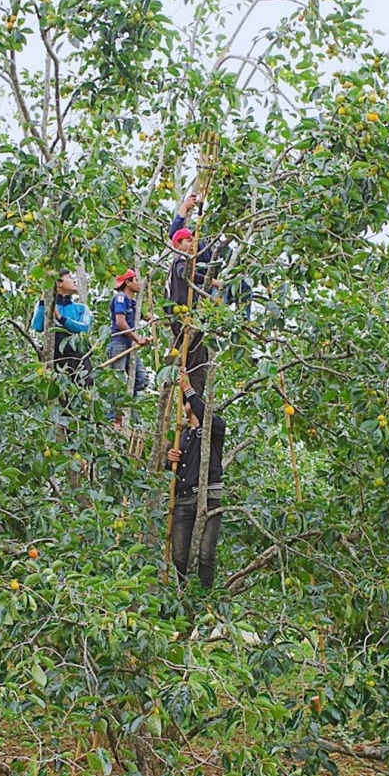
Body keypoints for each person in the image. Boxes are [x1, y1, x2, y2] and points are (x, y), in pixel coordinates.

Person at [166, 369, 226, 593]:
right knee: (179, 555)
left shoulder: (214, 427)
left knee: (206, 553)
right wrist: (168, 459)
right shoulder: (181, 436)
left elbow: (204, 413)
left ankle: (206, 595)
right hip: (183, 500)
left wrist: (189, 390)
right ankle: (185, 592)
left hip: (208, 498)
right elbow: (171, 470)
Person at [166, 194, 219, 394]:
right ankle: (193, 401)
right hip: (183, 311)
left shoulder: (198, 253)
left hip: (189, 310)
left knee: (195, 354)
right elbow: (185, 273)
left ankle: (191, 394)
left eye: (192, 240)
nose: (191, 243)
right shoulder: (181, 259)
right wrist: (184, 209)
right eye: (187, 241)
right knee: (196, 360)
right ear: (179, 245)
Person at [31, 269, 93, 390]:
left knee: (84, 391)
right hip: (55, 359)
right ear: (59, 283)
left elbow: (84, 327)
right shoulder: (44, 305)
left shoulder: (81, 308)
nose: (74, 280)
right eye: (70, 277)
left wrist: (61, 318)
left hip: (78, 358)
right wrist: (44, 301)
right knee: (60, 396)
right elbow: (38, 326)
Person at [107, 268, 151, 396]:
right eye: (136, 280)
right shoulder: (120, 298)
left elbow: (148, 316)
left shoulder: (133, 303)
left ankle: (126, 404)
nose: (139, 283)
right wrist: (138, 339)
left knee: (142, 379)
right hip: (119, 344)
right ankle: (114, 415)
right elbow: (120, 322)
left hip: (129, 345)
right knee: (117, 382)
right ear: (128, 282)